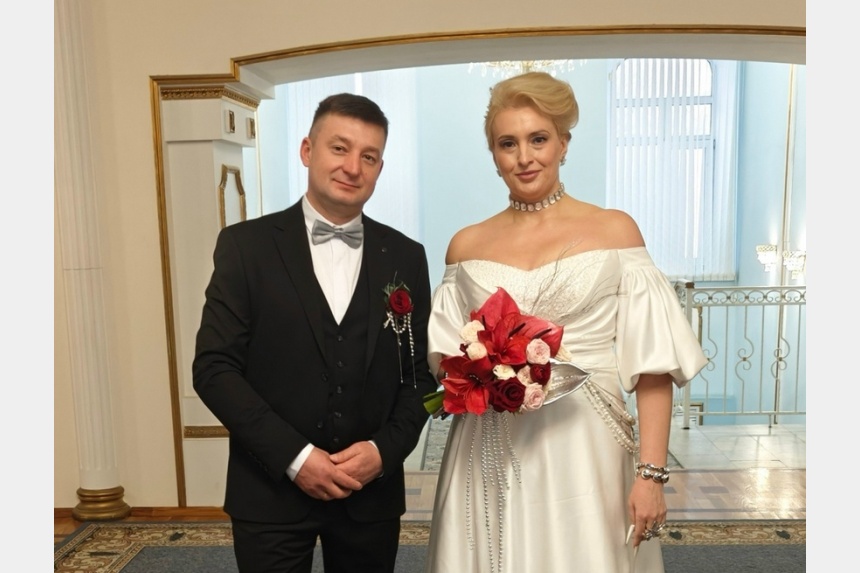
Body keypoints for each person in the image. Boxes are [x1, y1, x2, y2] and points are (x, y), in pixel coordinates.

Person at [424, 72, 708, 572]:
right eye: (507, 143)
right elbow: (449, 366)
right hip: (489, 448)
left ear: (564, 144)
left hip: (586, 446)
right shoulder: (465, 246)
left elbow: (654, 368)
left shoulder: (615, 231)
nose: (524, 157)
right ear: (493, 154)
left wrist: (651, 476)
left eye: (538, 139)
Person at [192, 93, 437, 573]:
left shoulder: (406, 256)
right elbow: (214, 369)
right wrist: (296, 457)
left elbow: (420, 377)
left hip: (370, 494)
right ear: (307, 151)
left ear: (380, 168)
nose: (353, 167)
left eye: (369, 156)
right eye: (339, 148)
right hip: (269, 489)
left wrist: (383, 452)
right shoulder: (245, 247)